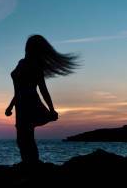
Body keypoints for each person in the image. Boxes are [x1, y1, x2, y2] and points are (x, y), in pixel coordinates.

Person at [5, 35, 78, 164]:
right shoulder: (21, 62)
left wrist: (51, 109)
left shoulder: (36, 66)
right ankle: (30, 165)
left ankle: (32, 166)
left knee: (25, 137)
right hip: (20, 104)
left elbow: (43, 89)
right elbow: (18, 90)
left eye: (29, 44)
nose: (26, 46)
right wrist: (10, 106)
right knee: (23, 138)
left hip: (30, 103)